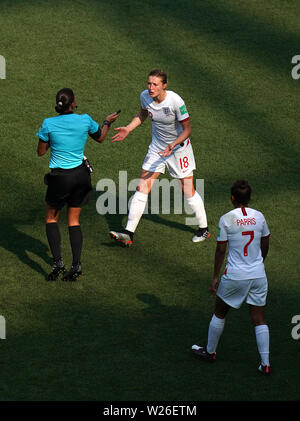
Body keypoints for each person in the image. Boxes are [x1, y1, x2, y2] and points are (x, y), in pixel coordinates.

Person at [109, 69, 209, 246]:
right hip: (157, 148)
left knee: (187, 189)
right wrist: (128, 128)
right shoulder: (145, 97)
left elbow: (187, 130)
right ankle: (128, 232)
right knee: (142, 187)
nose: (150, 87)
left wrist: (173, 145)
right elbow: (143, 114)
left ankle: (204, 229)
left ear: (164, 85)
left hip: (178, 149)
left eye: (155, 84)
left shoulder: (175, 101)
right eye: (149, 83)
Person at [36, 88, 119, 281]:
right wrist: (107, 122)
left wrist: (51, 140)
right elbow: (100, 137)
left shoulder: (49, 124)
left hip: (60, 179)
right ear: (73, 103)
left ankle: (57, 262)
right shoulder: (85, 120)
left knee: (51, 219)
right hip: (81, 176)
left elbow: (40, 152)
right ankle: (76, 265)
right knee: (73, 221)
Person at [192, 180, 271, 375]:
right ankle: (265, 363)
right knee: (259, 318)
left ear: (233, 198)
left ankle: (209, 352)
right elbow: (266, 241)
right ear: (249, 198)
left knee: (219, 311)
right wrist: (259, 261)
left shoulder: (226, 219)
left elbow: (220, 250)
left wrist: (214, 277)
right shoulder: (259, 217)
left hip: (235, 275)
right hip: (258, 274)